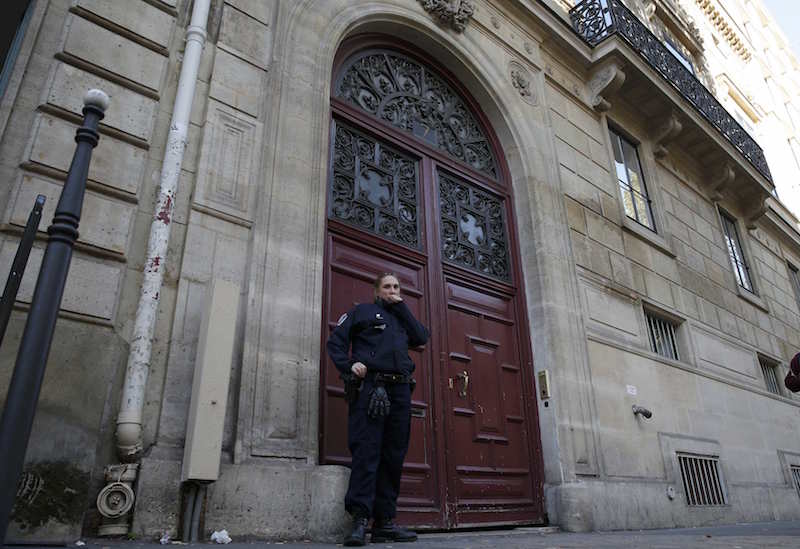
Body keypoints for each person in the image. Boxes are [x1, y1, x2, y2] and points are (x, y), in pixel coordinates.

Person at [327, 273, 429, 546]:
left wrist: (402, 307)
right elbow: (335, 342)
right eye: (387, 287)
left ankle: (385, 523)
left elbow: (421, 337)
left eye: (396, 287)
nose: (393, 291)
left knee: (393, 456)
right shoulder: (362, 312)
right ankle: (360, 521)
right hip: (372, 388)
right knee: (367, 452)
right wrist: (349, 366)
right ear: (376, 291)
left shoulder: (402, 318)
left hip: (400, 392)